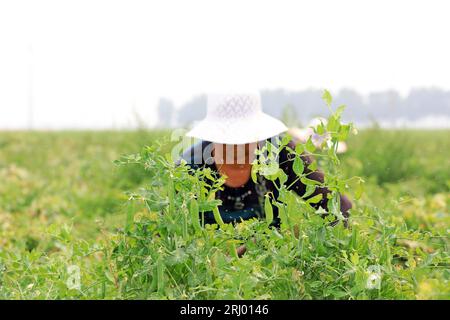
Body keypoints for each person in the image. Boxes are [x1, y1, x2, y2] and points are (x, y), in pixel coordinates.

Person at [180, 93, 352, 228]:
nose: (238, 146)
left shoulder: (280, 151)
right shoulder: (191, 165)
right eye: (228, 137)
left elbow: (337, 205)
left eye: (245, 136)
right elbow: (176, 232)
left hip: (274, 264)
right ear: (212, 135)